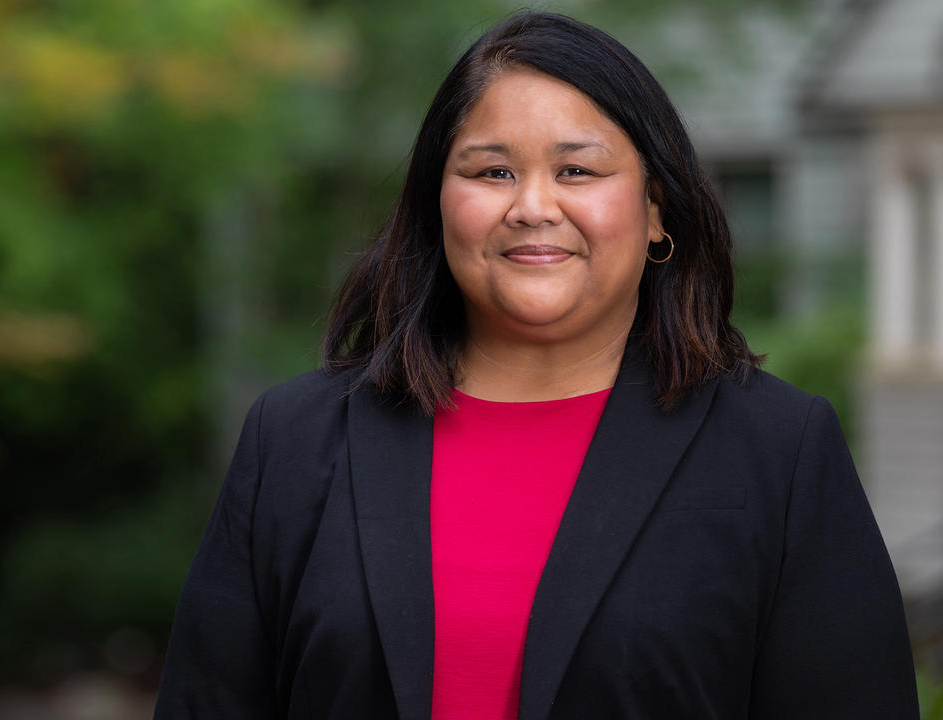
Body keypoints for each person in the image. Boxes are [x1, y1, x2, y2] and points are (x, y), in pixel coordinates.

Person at [154, 11, 918, 720]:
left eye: (577, 172)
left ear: (657, 209)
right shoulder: (292, 441)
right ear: (437, 205)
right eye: (491, 172)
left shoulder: (778, 453)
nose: (532, 206)